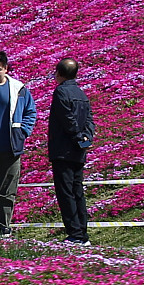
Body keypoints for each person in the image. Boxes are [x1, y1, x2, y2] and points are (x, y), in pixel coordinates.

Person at [0, 48, 37, 235]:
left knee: (7, 190)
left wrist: (23, 132)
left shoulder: (18, 89)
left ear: (6, 69)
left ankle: (3, 227)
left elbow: (30, 112)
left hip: (11, 148)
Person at [48, 57, 95, 244]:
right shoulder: (82, 94)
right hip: (78, 151)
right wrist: (86, 138)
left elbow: (67, 119)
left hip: (63, 150)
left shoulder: (60, 92)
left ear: (58, 73)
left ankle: (75, 233)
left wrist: (76, 136)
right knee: (77, 191)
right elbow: (90, 120)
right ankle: (82, 232)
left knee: (66, 192)